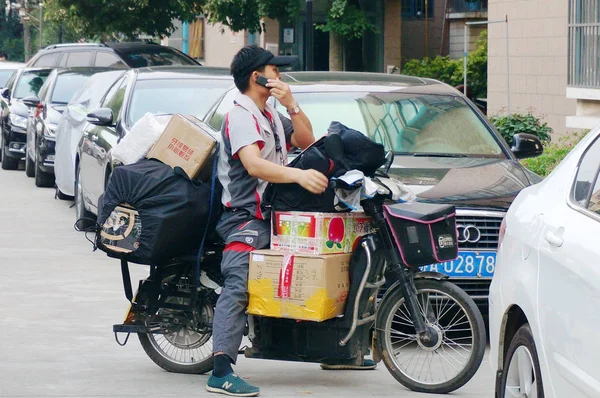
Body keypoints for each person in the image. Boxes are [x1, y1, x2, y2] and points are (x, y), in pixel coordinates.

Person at [205, 45, 375, 398]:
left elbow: (306, 140)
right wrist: (297, 177)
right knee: (239, 283)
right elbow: (253, 164)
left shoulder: (268, 115)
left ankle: (334, 347)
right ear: (257, 77)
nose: (280, 76)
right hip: (244, 217)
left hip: (275, 214)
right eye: (274, 70)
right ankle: (220, 370)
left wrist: (292, 106)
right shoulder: (240, 116)